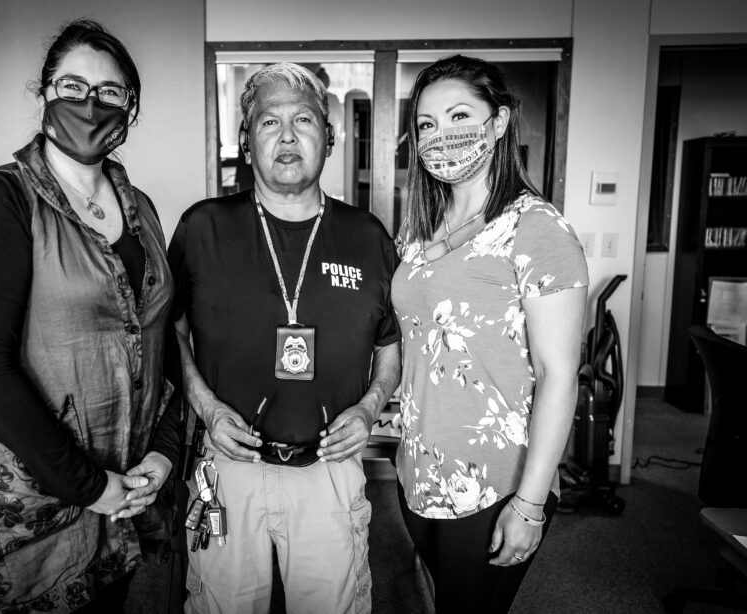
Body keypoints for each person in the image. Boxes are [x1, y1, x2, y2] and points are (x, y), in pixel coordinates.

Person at [0, 19, 181, 613]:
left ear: (131, 109)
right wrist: (90, 486)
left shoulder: (139, 209)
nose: (89, 104)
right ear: (45, 93)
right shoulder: (0, 200)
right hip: (33, 507)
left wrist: (162, 452)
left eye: (110, 92)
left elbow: (158, 340)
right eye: (72, 86)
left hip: (124, 494)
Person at [169, 62, 401, 614]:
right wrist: (206, 408)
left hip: (328, 471)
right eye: (269, 122)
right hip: (229, 466)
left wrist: (369, 410)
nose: (289, 135)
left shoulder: (366, 237)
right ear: (247, 144)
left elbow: (391, 347)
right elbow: (169, 333)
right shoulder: (203, 228)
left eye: (304, 120)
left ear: (331, 137)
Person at [391, 54, 589, 613]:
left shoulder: (537, 229)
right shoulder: (422, 232)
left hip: (496, 483)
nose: (441, 136)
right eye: (427, 125)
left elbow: (558, 376)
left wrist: (528, 504)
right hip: (419, 472)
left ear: (499, 122)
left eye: (459, 116)